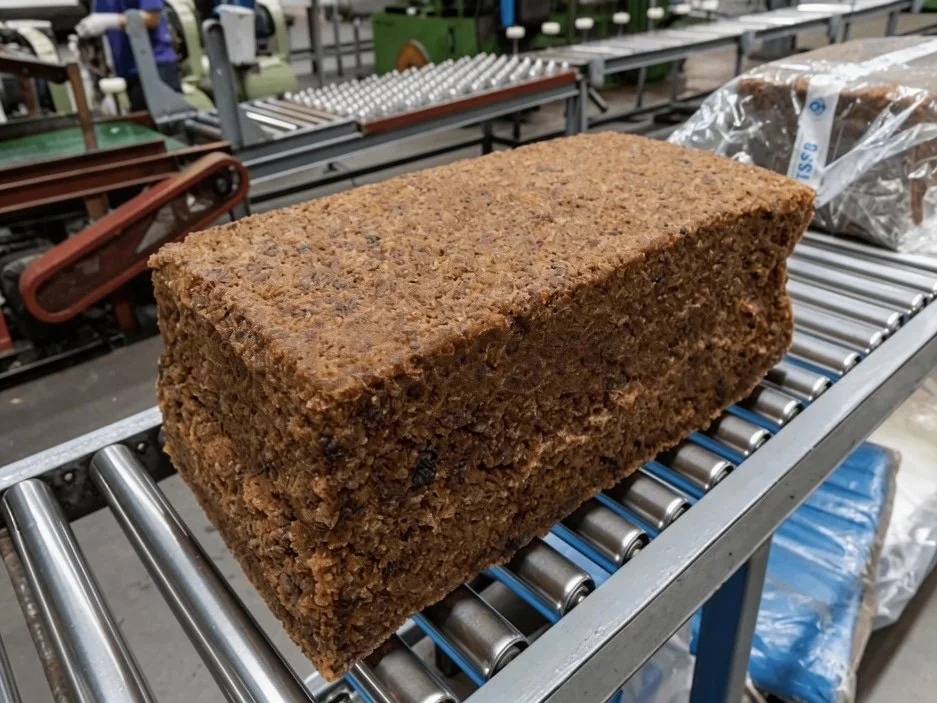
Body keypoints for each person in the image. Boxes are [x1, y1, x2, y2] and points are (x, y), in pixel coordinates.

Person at [76, 0, 181, 112]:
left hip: (155, 65)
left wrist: (112, 21)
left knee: (168, 119)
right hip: (126, 68)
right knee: (141, 120)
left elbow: (152, 18)